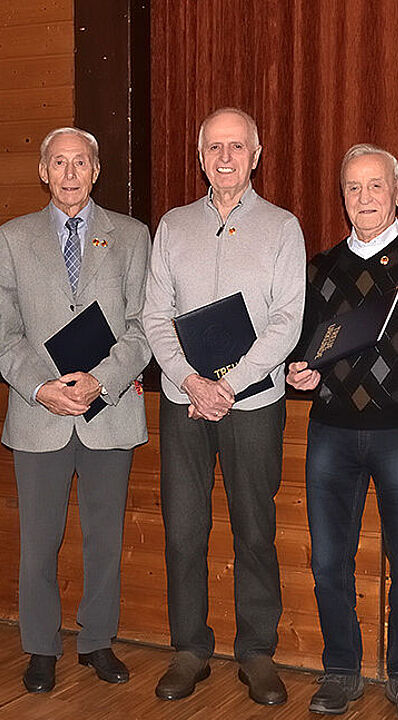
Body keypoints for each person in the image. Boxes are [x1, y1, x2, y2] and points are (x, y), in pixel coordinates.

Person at [143, 107, 305, 706]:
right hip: (185, 402)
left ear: (256, 156)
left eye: (237, 147)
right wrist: (190, 380)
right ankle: (189, 648)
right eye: (215, 147)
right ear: (200, 156)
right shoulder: (173, 225)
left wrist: (230, 382)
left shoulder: (283, 227)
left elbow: (287, 320)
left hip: (253, 403)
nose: (226, 158)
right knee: (184, 529)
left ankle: (256, 653)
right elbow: (154, 316)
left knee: (254, 530)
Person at [287, 144, 398, 718]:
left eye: (376, 186)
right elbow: (310, 350)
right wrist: (301, 371)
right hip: (331, 432)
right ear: (343, 197)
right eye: (353, 188)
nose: (364, 198)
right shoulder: (321, 267)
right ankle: (341, 670)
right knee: (329, 560)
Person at [0, 126, 151, 693]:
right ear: (43, 171)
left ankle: (96, 641)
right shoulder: (11, 238)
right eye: (57, 163)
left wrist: (100, 380)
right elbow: (5, 336)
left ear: (96, 169)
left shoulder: (131, 236)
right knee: (39, 541)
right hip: (39, 414)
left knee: (104, 540)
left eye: (79, 163)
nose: (68, 173)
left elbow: (142, 328)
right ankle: (40, 647)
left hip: (108, 411)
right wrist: (42, 388)